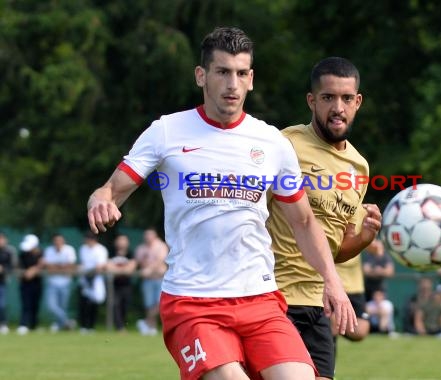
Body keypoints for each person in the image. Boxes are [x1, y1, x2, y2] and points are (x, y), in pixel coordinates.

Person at [87, 27, 357, 380]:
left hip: (261, 300)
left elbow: (304, 223)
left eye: (241, 73)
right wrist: (100, 201)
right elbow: (109, 190)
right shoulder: (167, 131)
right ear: (202, 76)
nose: (233, 83)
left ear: (251, 79)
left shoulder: (271, 142)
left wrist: (332, 282)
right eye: (223, 72)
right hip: (193, 302)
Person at [266, 57, 381, 380]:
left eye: (346, 98)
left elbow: (334, 249)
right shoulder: (285, 145)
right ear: (311, 101)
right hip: (274, 300)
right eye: (328, 97)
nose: (338, 107)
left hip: (319, 305)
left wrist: (363, 240)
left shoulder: (359, 168)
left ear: (358, 102)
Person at [134, 228, 168, 336]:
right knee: (149, 304)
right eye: (146, 235)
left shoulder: (161, 246)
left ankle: (146, 322)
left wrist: (149, 269)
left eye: (150, 235)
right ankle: (151, 327)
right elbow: (138, 262)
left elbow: (160, 261)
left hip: (159, 278)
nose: (148, 237)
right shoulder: (141, 248)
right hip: (147, 280)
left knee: (159, 303)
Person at [43, 233, 77, 332]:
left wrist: (55, 267)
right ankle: (67, 322)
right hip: (52, 282)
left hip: (65, 282)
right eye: (56, 241)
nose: (57, 243)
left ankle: (59, 325)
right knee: (51, 306)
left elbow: (70, 266)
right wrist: (61, 267)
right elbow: (49, 268)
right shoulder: (49, 250)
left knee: (63, 306)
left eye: (59, 241)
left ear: (63, 241)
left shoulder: (69, 250)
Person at [77, 231, 108, 333]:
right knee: (84, 303)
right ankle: (83, 326)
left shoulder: (101, 250)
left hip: (96, 279)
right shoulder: (83, 249)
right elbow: (83, 263)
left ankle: (91, 326)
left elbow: (100, 266)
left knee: (94, 303)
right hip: (85, 278)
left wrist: (89, 272)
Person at [106, 234, 137, 332]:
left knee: (125, 305)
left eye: (123, 240)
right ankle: (119, 327)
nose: (121, 243)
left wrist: (117, 270)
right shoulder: (111, 253)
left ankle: (122, 325)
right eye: (119, 240)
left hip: (126, 285)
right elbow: (109, 267)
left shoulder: (130, 254)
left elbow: (131, 268)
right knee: (115, 304)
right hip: (114, 285)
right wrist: (123, 270)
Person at [17, 234, 43, 335]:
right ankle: (23, 324)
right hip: (25, 283)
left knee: (35, 305)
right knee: (26, 304)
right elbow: (20, 268)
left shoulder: (41, 254)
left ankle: (33, 325)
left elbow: (42, 264)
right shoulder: (23, 254)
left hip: (37, 283)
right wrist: (25, 274)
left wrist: (34, 270)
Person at [0, 232, 14, 334]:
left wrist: (3, 269)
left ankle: (3, 323)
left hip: (2, 281)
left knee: (2, 304)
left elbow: (12, 267)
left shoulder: (9, 251)